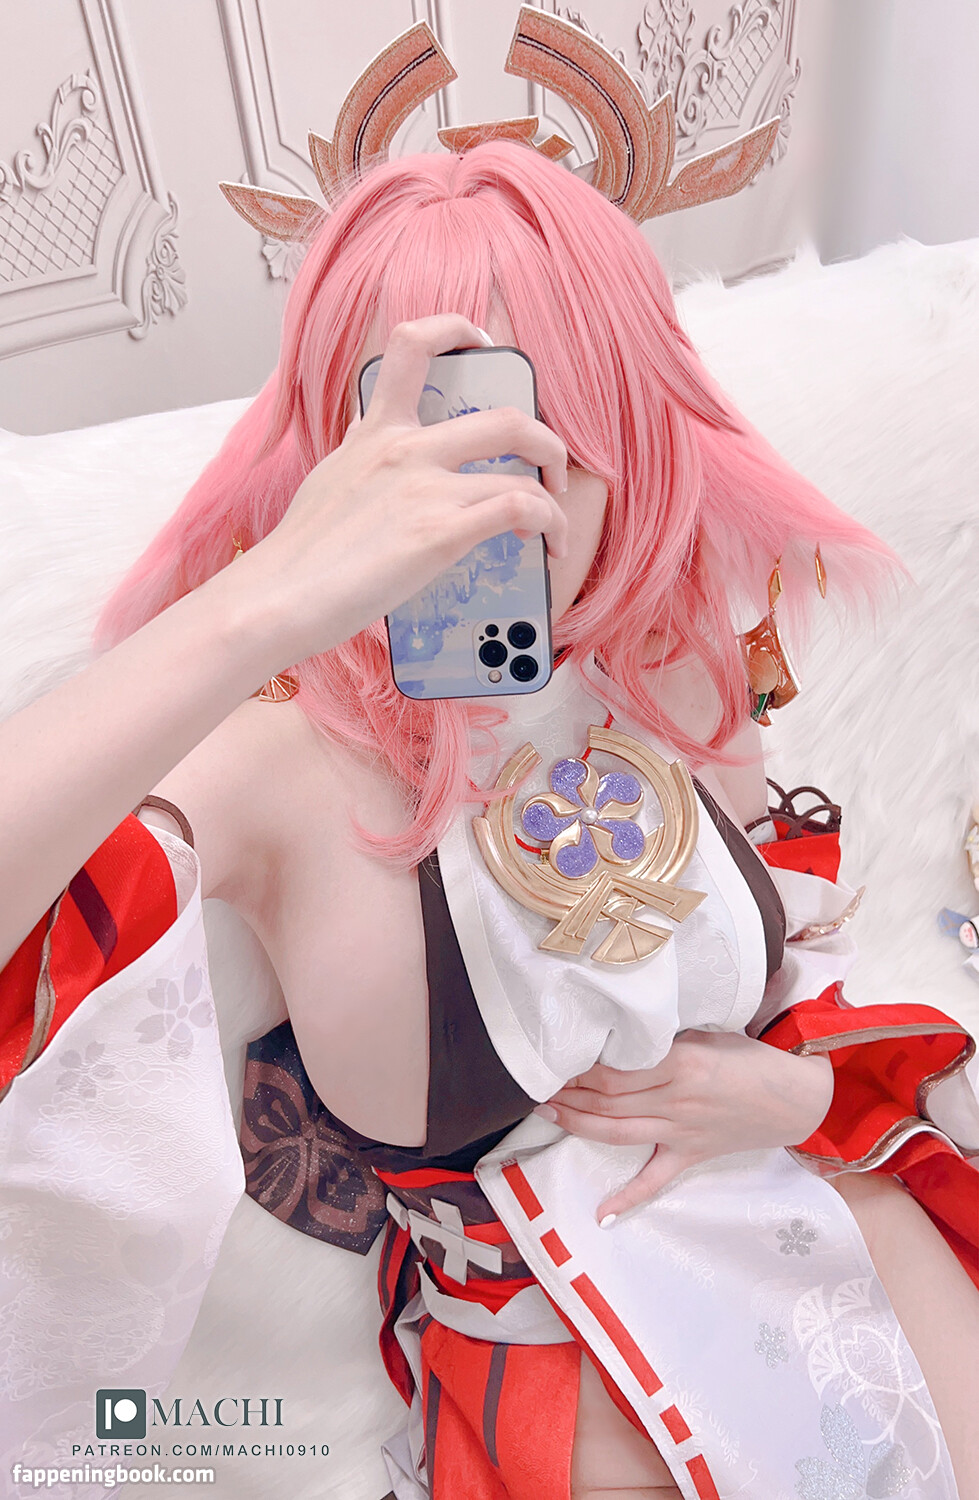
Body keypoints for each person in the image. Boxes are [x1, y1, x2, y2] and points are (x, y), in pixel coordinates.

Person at [1, 126, 977, 1500]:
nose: (515, 485)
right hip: (555, 1353)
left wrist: (797, 1095)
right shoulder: (277, 755)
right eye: (439, 430)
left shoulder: (679, 646)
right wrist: (263, 601)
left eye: (552, 419)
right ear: (342, 444)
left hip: (835, 1215)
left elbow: (792, 966)